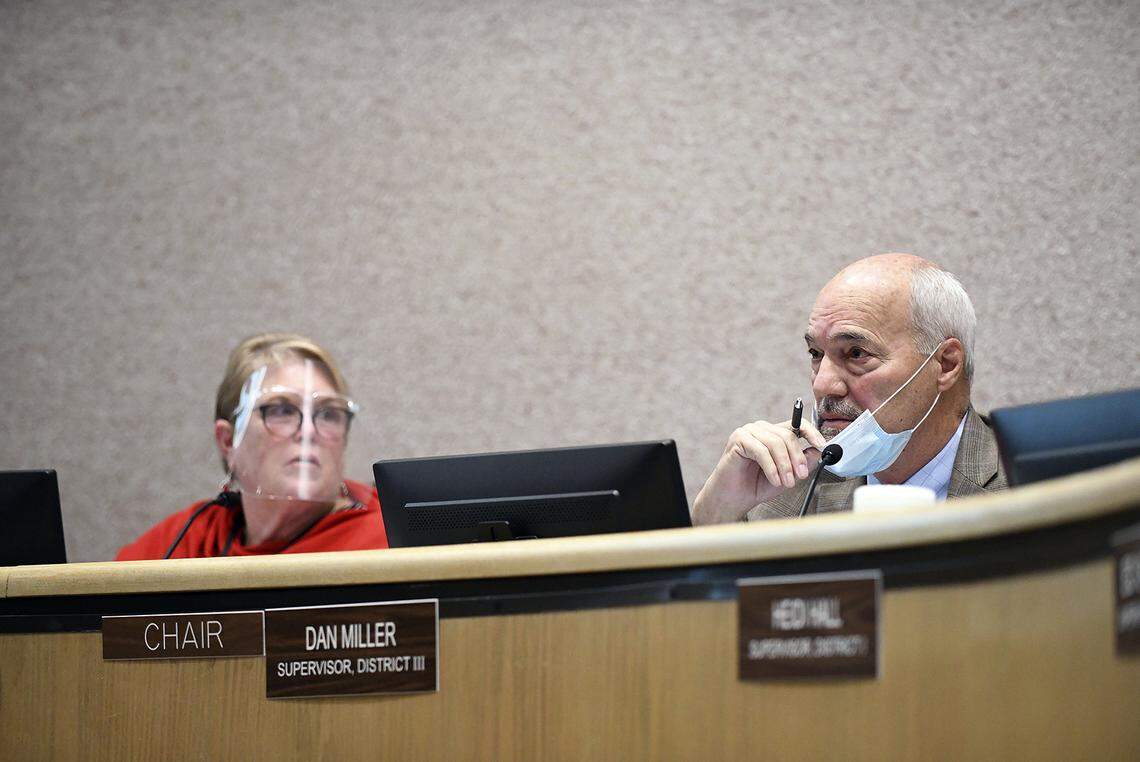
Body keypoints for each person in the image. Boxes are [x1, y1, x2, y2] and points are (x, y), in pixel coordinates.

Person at [691, 253, 1007, 524]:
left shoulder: (1031, 485)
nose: (822, 384)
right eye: (816, 354)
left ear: (946, 364)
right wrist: (718, 510)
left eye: (856, 354)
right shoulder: (785, 493)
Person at [117, 333, 388, 559]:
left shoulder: (388, 537)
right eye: (281, 410)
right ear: (227, 441)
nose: (308, 431)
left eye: (328, 413)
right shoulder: (194, 539)